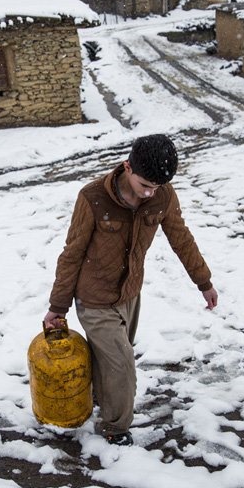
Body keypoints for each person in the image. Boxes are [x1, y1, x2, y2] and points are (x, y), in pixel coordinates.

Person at [43, 134, 218, 446]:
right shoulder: (93, 197)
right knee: (122, 365)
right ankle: (115, 429)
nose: (150, 192)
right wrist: (58, 306)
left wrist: (203, 281)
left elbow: (181, 238)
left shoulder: (162, 196)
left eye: (156, 187)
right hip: (94, 298)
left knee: (109, 361)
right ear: (127, 167)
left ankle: (94, 401)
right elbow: (71, 253)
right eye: (144, 185)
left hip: (130, 295)